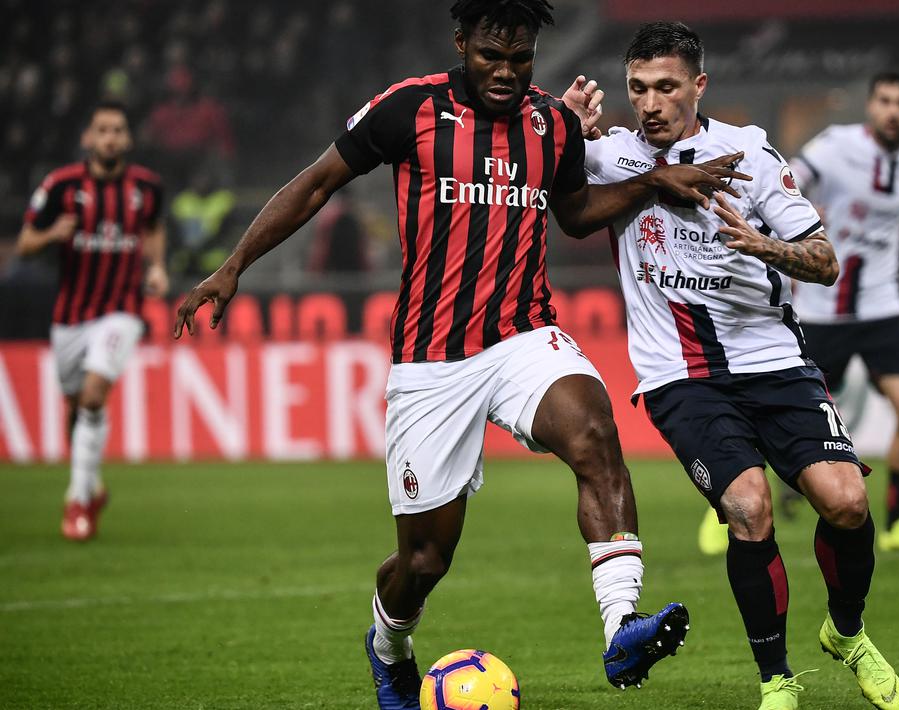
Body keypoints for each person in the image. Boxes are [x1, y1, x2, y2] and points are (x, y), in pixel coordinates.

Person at [172, 2, 746, 708]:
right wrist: (233, 266)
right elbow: (317, 182)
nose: (505, 72)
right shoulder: (408, 109)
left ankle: (621, 625)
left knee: (596, 434)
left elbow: (572, 214)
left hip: (523, 336)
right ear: (460, 44)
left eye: (520, 58)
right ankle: (388, 647)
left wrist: (651, 182)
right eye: (490, 56)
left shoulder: (551, 123)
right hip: (431, 360)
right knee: (423, 561)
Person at [582, 22, 899, 710]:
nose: (650, 103)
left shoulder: (750, 153)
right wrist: (565, 129)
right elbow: (562, 204)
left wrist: (764, 246)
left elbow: (822, 261)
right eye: (637, 88)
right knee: (749, 507)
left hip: (775, 361)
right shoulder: (609, 157)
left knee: (847, 503)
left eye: (666, 86)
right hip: (680, 375)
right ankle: (776, 679)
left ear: (698, 85)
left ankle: (846, 632)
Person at [787, 72, 899, 554]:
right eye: (885, 100)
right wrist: (799, 217)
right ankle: (725, 510)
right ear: (870, 106)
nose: (893, 110)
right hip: (821, 309)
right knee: (780, 415)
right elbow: (783, 183)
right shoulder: (834, 145)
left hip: (883, 307)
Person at [15, 100, 168, 541]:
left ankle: (77, 502)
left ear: (128, 138)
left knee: (95, 395)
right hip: (70, 317)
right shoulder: (60, 186)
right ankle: (92, 487)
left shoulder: (146, 187)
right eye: (102, 130)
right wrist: (51, 234)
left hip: (122, 311)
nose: (110, 138)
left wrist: (157, 267)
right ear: (88, 137)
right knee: (76, 406)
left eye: (118, 130)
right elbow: (24, 244)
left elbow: (154, 228)